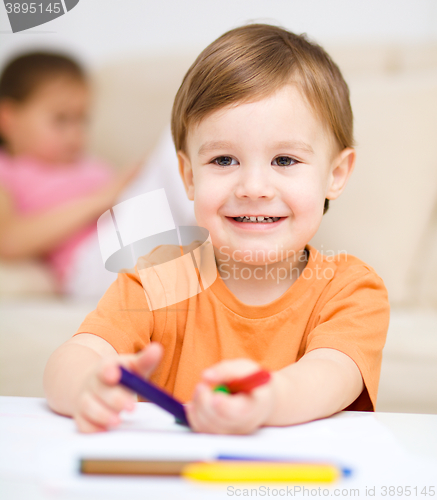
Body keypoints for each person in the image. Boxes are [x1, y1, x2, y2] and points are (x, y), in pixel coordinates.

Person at [44, 23, 390, 434]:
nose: (253, 188)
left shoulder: (350, 290)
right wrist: (87, 385)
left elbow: (331, 374)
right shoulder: (157, 281)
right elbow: (75, 356)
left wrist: (268, 398)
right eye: (224, 160)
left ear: (335, 174)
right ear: (188, 177)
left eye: (284, 160)